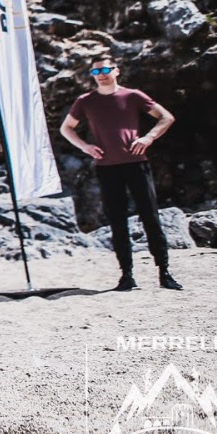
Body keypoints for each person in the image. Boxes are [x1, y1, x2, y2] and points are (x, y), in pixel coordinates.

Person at [59, 52, 181, 292]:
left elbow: (166, 117)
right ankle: (126, 276)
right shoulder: (86, 101)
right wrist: (85, 146)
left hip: (136, 164)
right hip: (107, 168)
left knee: (150, 217)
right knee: (117, 221)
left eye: (105, 70)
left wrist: (148, 137)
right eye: (95, 72)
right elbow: (67, 128)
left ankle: (164, 273)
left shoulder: (132, 96)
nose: (101, 75)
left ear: (116, 71)